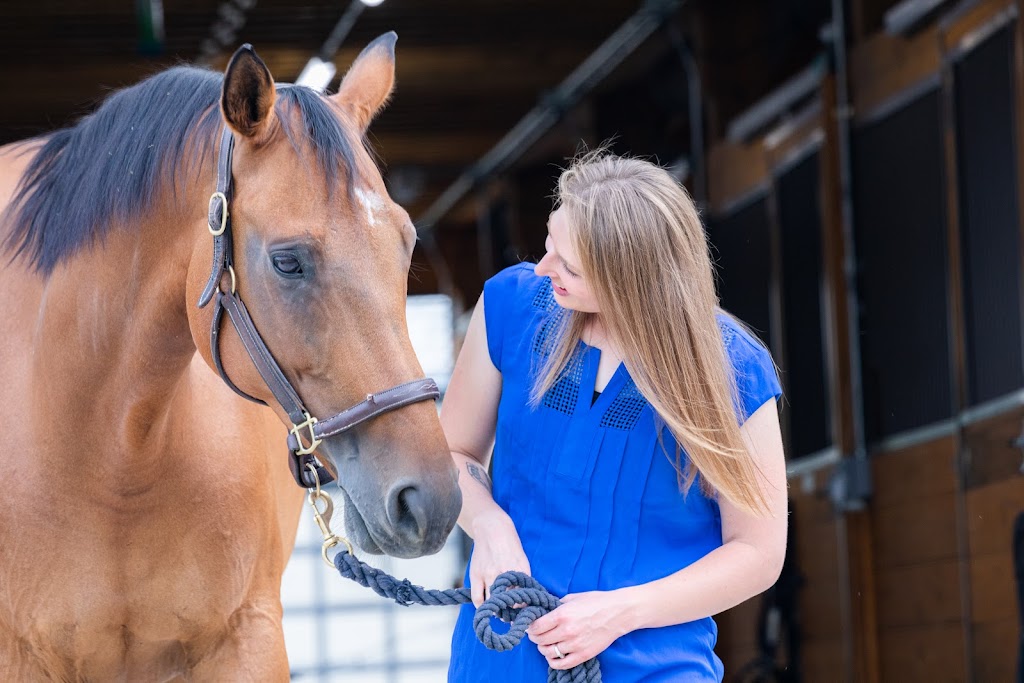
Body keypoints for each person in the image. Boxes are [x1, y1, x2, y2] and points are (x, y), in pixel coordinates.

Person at [442, 150, 788, 682]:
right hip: (500, 657)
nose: (543, 268)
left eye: (569, 265)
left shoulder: (734, 368)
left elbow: (759, 554)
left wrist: (619, 613)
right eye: (550, 243)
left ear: (629, 279)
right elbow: (452, 451)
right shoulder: (510, 307)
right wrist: (491, 528)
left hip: (656, 666)